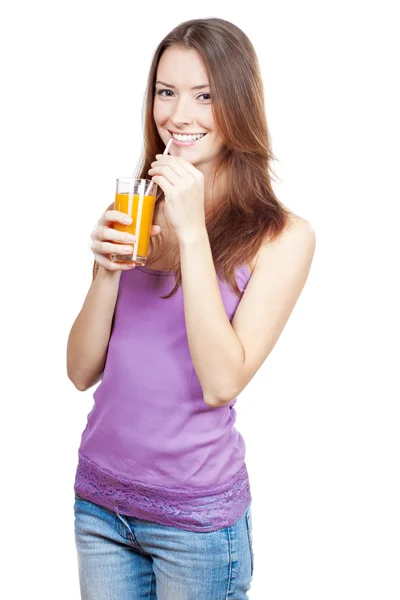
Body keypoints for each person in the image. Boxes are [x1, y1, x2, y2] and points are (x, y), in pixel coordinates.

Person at [67, 17, 316, 600]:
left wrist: (192, 233)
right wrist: (106, 272)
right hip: (100, 504)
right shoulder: (133, 209)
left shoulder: (284, 237)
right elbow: (80, 372)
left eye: (205, 96)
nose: (179, 115)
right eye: (166, 91)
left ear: (239, 104)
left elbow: (222, 382)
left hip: (195, 522)